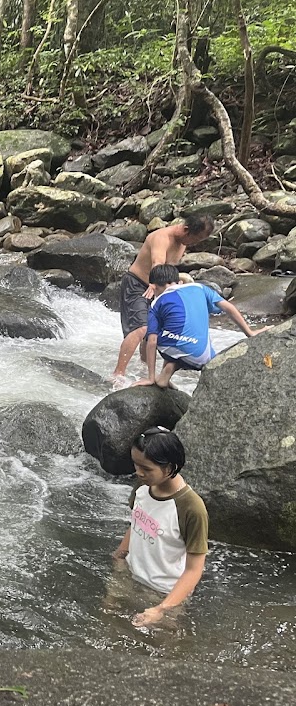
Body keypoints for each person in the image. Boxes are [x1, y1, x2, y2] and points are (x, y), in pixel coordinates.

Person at [111, 426, 207, 627]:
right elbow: (137, 521)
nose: (138, 473)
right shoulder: (143, 486)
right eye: (136, 464)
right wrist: (120, 554)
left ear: (170, 468)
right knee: (108, 619)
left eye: (146, 468)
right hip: (130, 575)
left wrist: (162, 608)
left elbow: (194, 569)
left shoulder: (191, 508)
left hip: (166, 593)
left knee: (164, 646)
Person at [111, 213, 214, 387]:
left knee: (154, 331)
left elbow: (169, 269)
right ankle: (118, 374)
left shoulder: (182, 242)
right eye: (195, 239)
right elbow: (158, 263)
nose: (194, 244)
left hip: (159, 287)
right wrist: (156, 283)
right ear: (186, 230)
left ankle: (145, 368)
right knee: (141, 329)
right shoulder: (161, 237)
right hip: (138, 284)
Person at [132, 263, 265, 389]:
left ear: (153, 287)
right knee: (182, 332)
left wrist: (150, 378)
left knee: (150, 334)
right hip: (205, 360)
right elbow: (229, 307)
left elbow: (152, 341)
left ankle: (166, 371)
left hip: (179, 351)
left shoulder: (157, 303)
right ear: (179, 282)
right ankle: (168, 372)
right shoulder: (200, 288)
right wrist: (250, 333)